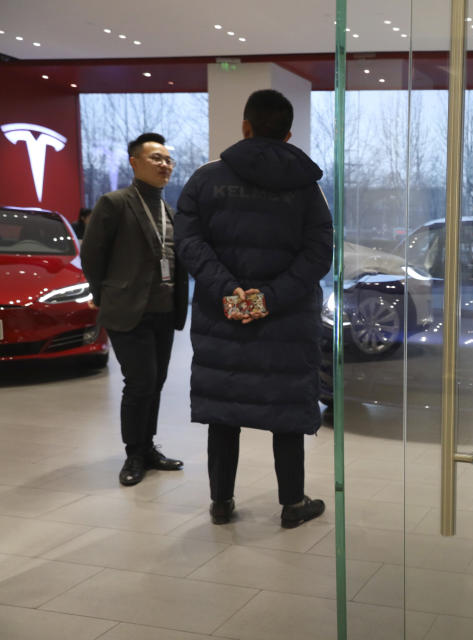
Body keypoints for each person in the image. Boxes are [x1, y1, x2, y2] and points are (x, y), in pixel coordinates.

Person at [175, 89, 333, 529]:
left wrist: (230, 292)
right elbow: (318, 255)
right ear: (287, 133)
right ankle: (292, 503)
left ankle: (222, 504)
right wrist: (268, 298)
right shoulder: (307, 187)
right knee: (286, 412)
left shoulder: (205, 181)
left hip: (223, 318)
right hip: (286, 321)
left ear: (245, 127)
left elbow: (189, 243)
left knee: (225, 411)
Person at [80, 133, 188, 486]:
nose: (164, 165)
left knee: (155, 383)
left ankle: (148, 447)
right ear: (134, 161)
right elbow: (92, 256)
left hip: (163, 311)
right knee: (139, 383)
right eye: (156, 158)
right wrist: (105, 294)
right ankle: (133, 455)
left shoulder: (167, 209)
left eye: (168, 160)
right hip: (128, 310)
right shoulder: (115, 203)